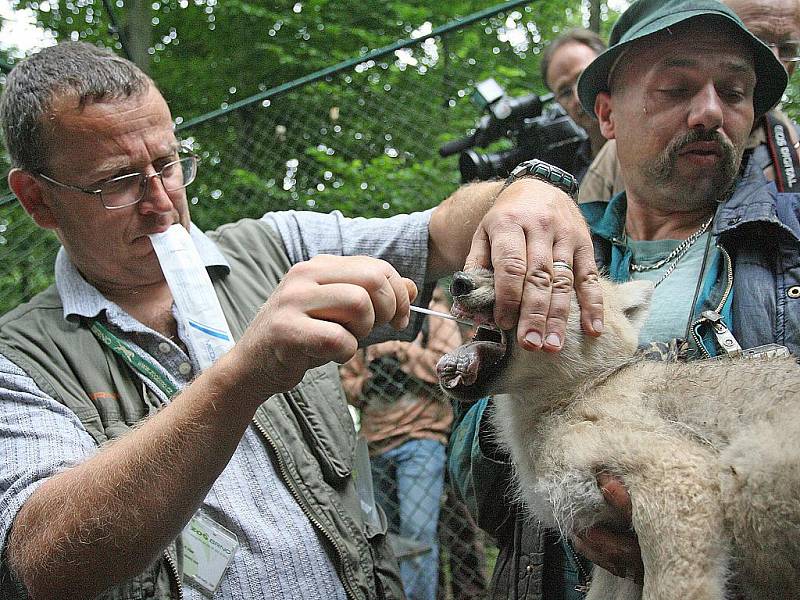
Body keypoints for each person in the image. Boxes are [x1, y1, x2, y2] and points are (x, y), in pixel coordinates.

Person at [0, 41, 603, 599]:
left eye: (169, 163)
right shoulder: (22, 356)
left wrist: (529, 191)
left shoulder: (277, 245)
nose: (161, 204)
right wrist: (244, 375)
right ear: (37, 199)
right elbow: (44, 564)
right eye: (117, 184)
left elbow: (441, 232)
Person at [448, 0, 798, 598]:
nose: (711, 111)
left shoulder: (790, 242)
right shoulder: (540, 246)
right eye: (676, 88)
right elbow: (469, 463)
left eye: (735, 92)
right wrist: (560, 466)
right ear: (605, 114)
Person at [577, 0, 800, 203]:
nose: (777, 61)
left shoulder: (792, 148)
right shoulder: (617, 155)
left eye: (733, 93)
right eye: (675, 89)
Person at [339, 285, 461, 600]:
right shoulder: (367, 320)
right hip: (376, 443)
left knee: (418, 538)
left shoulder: (433, 315)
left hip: (421, 438)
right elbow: (345, 382)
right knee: (381, 541)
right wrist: (369, 382)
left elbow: (453, 368)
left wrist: (404, 356)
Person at [539, 29, 612, 184]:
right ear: (559, 104)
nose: (578, 97)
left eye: (583, 78)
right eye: (565, 92)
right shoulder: (567, 172)